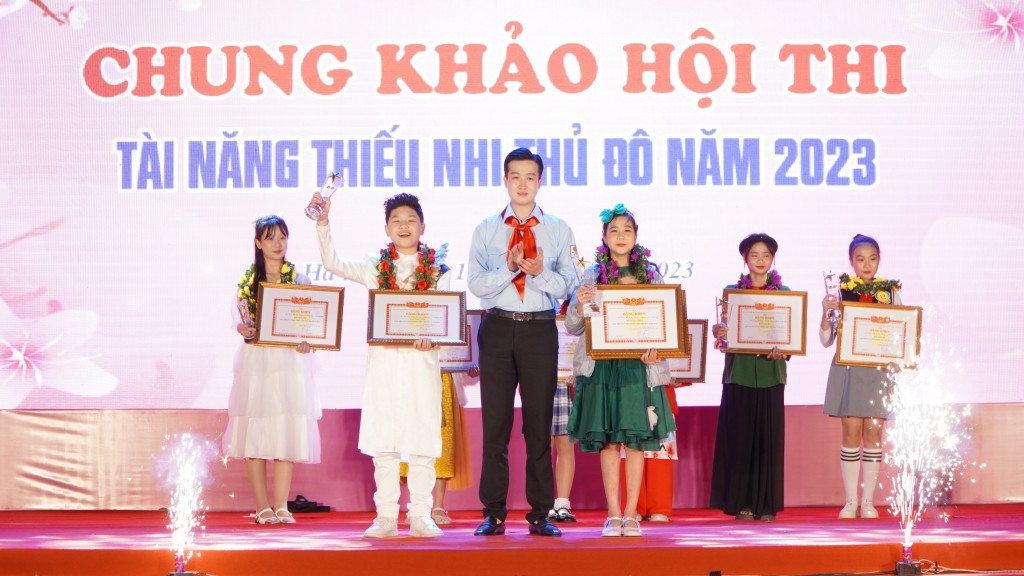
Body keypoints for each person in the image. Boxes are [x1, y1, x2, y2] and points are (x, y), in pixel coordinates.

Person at [311, 191, 450, 538]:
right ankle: (386, 516)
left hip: (422, 367)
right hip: (384, 368)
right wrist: (323, 223)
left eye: (411, 220)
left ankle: (421, 515)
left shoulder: (438, 270)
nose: (404, 226)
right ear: (386, 228)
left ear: (422, 226)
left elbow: (446, 321)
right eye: (396, 221)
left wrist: (435, 339)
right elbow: (333, 263)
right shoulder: (374, 266)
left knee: (422, 443)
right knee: (385, 444)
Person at [467, 147, 578, 537]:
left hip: (539, 330)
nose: (523, 184)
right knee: (495, 427)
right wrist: (509, 267)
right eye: (515, 176)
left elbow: (570, 285)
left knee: (538, 427)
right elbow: (476, 283)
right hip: (497, 328)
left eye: (530, 177)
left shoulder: (558, 229)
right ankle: (493, 513)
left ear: (540, 181)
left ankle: (540, 514)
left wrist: (540, 273)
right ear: (505, 180)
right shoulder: (486, 229)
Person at [566, 204, 676, 537]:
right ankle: (613, 513)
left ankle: (631, 515)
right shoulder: (591, 275)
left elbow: (665, 322)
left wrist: (657, 348)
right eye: (613, 230)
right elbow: (573, 326)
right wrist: (579, 303)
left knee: (637, 442)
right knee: (610, 442)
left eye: (627, 230)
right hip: (602, 368)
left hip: (639, 368)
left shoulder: (650, 275)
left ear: (636, 236)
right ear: (604, 237)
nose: (621, 236)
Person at [224, 215, 321, 525]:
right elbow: (239, 322)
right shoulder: (247, 283)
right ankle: (262, 507)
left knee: (286, 430)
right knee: (254, 430)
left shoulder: (300, 280)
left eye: (282, 237)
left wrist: (309, 343)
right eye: (270, 238)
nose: (278, 244)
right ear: (258, 243)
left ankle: (281, 506)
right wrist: (243, 328)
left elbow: (314, 326)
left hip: (290, 362)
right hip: (257, 361)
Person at [820, 234, 902, 519]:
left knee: (874, 432)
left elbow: (901, 332)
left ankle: (868, 502)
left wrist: (901, 357)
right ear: (851, 261)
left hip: (879, 371)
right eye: (860, 259)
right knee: (852, 431)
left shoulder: (891, 294)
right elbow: (826, 340)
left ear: (879, 260)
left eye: (872, 258)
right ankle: (851, 501)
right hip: (850, 368)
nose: (867, 264)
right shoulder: (841, 293)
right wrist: (826, 313)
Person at [709, 233, 789, 522]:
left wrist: (785, 349)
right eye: (754, 255)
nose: (760, 260)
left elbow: (789, 336)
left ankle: (766, 504)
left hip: (771, 375)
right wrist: (720, 333)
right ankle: (742, 501)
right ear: (745, 259)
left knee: (768, 442)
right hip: (739, 375)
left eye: (766, 255)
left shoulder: (784, 294)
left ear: (773, 259)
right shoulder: (733, 293)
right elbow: (724, 338)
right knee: (740, 441)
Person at [400, 367, 478, 525]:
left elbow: (464, 355)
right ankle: (417, 506)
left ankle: (438, 505)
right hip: (415, 377)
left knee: (444, 443)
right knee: (414, 442)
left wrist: (471, 365)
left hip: (445, 377)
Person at [622, 385, 679, 523]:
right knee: (632, 448)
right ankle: (633, 507)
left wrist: (681, 375)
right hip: (628, 389)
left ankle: (659, 506)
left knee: (661, 451)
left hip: (661, 389)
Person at [548, 375, 577, 523]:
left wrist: (577, 373)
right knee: (541, 448)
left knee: (566, 445)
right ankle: (543, 503)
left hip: (565, 385)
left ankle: (563, 503)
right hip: (540, 384)